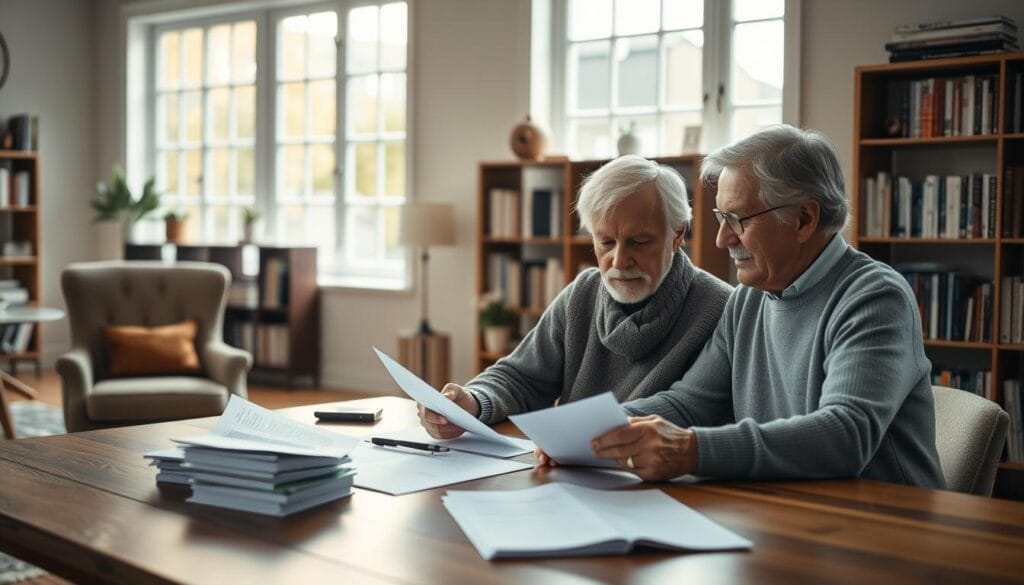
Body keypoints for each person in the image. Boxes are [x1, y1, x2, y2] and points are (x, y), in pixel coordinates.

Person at [586, 125, 945, 488]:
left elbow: (845, 434)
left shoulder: (874, 297)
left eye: (738, 219)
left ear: (805, 219)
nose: (722, 238)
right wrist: (588, 431)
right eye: (720, 217)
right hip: (788, 510)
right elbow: (687, 404)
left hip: (884, 524)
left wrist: (691, 450)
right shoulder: (748, 300)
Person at [419, 155, 733, 439]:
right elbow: (521, 375)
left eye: (639, 242)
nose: (619, 260)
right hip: (572, 467)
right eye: (606, 241)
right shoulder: (583, 293)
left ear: (678, 234)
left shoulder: (721, 307)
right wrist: (472, 401)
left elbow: (691, 408)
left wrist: (577, 429)